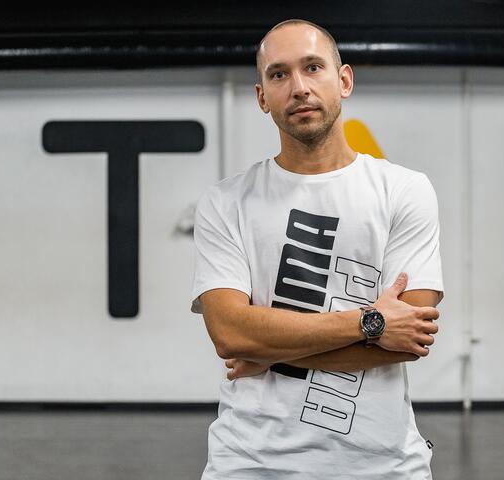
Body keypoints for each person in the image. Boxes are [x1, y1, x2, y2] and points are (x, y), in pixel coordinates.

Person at [190, 18, 444, 480]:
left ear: (343, 80)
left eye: (313, 67)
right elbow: (230, 334)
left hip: (381, 465)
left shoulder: (404, 190)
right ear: (262, 97)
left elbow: (410, 337)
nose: (299, 87)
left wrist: (267, 351)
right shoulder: (226, 201)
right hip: (250, 463)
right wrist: (370, 323)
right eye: (279, 74)